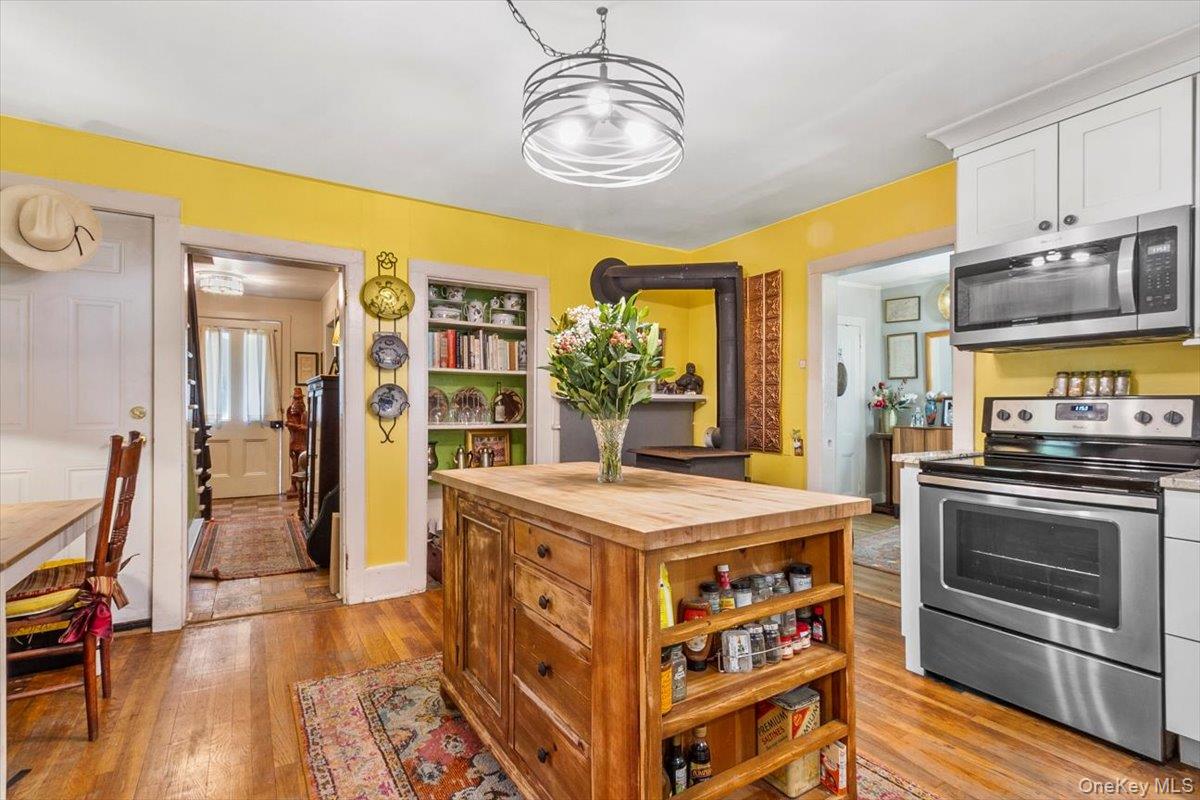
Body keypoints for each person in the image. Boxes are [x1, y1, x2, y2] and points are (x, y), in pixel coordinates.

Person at [285, 387, 308, 498]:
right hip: (294, 441)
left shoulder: (304, 413)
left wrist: (294, 426)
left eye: (299, 398)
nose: (297, 401)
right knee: (294, 464)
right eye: (295, 398)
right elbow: (288, 424)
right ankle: (293, 485)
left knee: (303, 464)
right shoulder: (290, 411)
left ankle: (303, 486)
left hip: (302, 442)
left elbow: (305, 428)